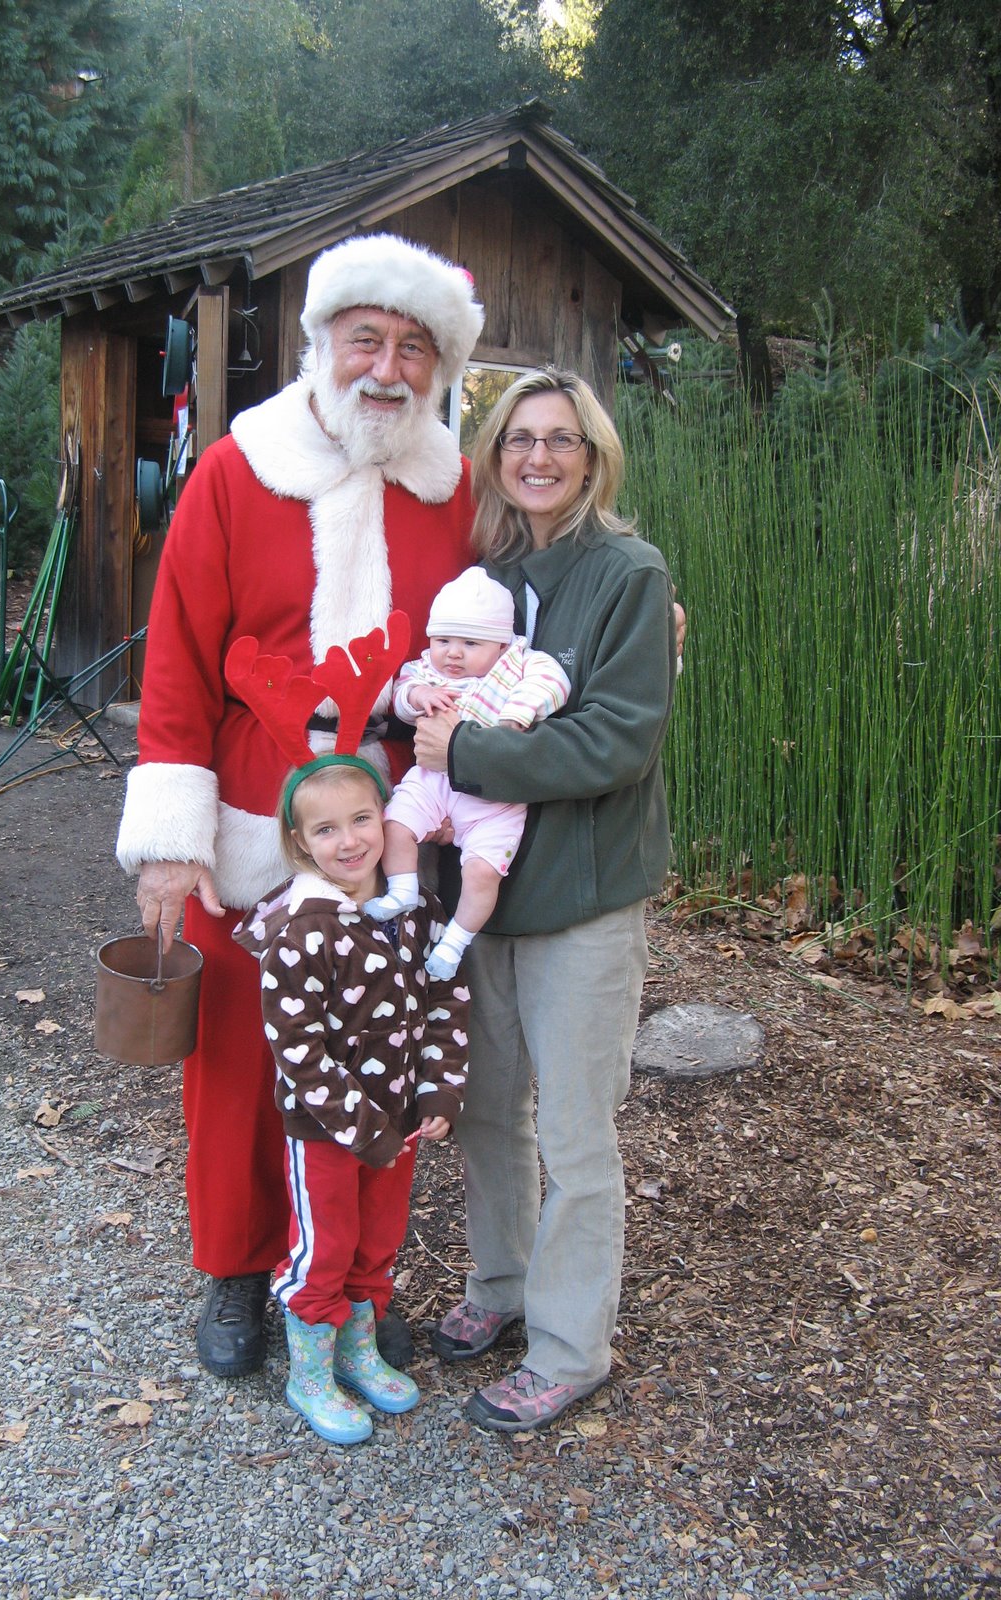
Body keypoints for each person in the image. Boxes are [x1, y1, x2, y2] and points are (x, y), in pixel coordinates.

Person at [115, 234, 484, 1379]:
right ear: (323, 344)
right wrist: (173, 843)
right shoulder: (238, 469)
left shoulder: (450, 488)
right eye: (366, 338)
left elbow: (509, 608)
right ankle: (236, 1267)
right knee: (236, 1056)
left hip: (385, 821)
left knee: (373, 1046)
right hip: (244, 808)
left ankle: (351, 1283)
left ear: (439, 367)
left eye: (413, 346)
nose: (387, 366)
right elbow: (176, 653)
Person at [415, 366, 677, 1432]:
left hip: (582, 893)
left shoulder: (628, 571)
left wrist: (466, 751)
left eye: (561, 439)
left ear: (594, 454)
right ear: (494, 454)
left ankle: (571, 1345)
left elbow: (620, 737)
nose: (538, 456)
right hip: (486, 898)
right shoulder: (486, 575)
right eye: (519, 437)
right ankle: (502, 1286)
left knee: (573, 1130)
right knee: (485, 1113)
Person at [231, 700, 469, 1442]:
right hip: (329, 1128)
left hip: (398, 1119)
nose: (349, 841)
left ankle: (359, 1349)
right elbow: (297, 1048)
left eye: (362, 820)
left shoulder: (412, 909)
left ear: (388, 819)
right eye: (326, 830)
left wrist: (437, 1085)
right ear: (299, 842)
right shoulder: (300, 931)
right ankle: (310, 1372)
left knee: (378, 1237)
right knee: (325, 1244)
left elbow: (446, 997)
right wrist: (363, 1128)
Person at [364, 567, 570, 978]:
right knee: (395, 822)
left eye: (469, 643)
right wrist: (420, 693)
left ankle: (456, 941)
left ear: (501, 643)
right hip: (434, 781)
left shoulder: (519, 663)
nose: (452, 654)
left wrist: (515, 715)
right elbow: (402, 691)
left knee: (482, 872)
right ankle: (402, 889)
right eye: (442, 641)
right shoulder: (430, 670)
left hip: (495, 798)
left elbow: (555, 682)